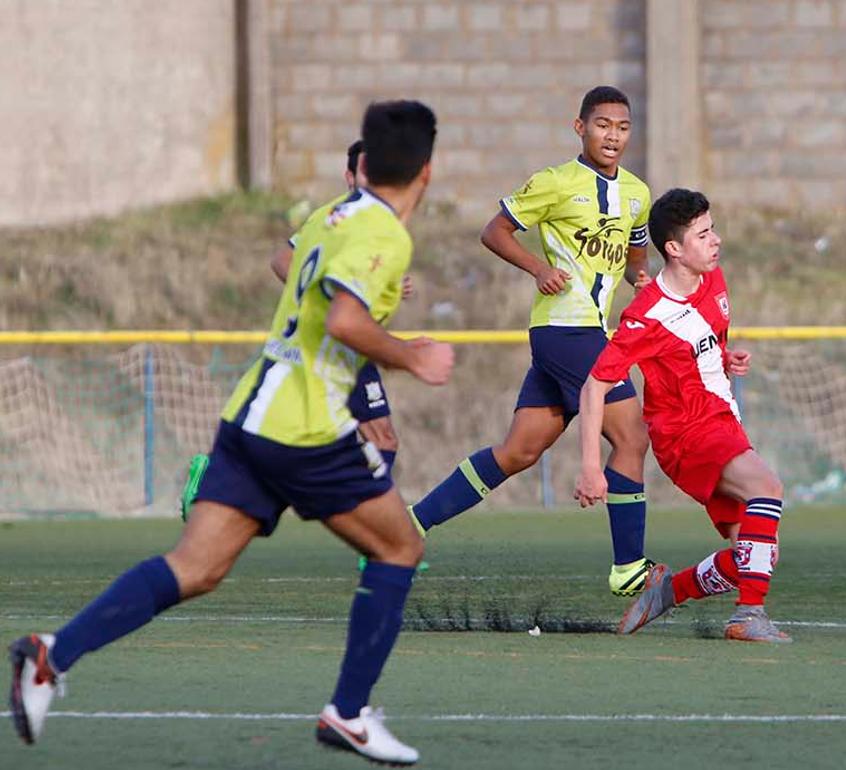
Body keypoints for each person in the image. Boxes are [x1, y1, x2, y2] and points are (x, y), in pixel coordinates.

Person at [9, 100, 452, 766]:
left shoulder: (336, 214)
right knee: (399, 550)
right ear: (427, 170)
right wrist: (413, 355)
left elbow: (303, 281)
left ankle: (50, 655)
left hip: (251, 415)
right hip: (306, 429)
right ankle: (350, 713)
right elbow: (344, 322)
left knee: (196, 567)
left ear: (363, 164)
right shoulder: (385, 234)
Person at [406, 86, 655, 596]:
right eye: (603, 124)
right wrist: (537, 267)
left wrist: (648, 287)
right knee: (631, 437)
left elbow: (635, 259)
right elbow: (494, 231)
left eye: (623, 127)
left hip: (580, 334)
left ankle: (407, 525)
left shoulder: (637, 193)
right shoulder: (556, 183)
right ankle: (629, 568)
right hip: (567, 328)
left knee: (518, 452)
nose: (613, 135)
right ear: (580, 127)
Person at [575, 188, 791, 644]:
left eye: (713, 229)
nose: (716, 240)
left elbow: (701, 341)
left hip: (722, 422)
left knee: (757, 556)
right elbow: (594, 385)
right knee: (767, 488)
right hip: (686, 434)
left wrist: (725, 357)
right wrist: (592, 466)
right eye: (703, 234)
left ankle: (668, 591)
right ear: (673, 249)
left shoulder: (713, 279)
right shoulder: (645, 316)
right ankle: (748, 616)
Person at [181, 140, 416, 524]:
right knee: (379, 437)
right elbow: (282, 260)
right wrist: (327, 296)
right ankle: (382, 535)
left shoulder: (371, 223)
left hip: (346, 349)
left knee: (351, 440)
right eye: (364, 173)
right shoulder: (336, 217)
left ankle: (215, 481)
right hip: (328, 345)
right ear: (349, 177)